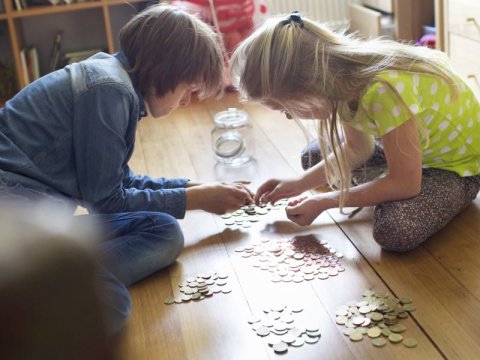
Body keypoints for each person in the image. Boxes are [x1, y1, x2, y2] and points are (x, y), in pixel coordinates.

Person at [0, 4, 253, 334]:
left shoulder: (113, 80)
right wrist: (196, 200)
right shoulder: (109, 90)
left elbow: (117, 180)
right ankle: (41, 288)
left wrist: (191, 186)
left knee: (160, 231)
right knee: (125, 286)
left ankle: (50, 283)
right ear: (166, 69)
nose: (187, 101)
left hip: (26, 211)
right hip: (14, 218)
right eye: (188, 87)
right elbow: (106, 200)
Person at [230, 12, 480, 252]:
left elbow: (406, 184)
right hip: (405, 147)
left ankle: (431, 189)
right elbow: (358, 148)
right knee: (311, 158)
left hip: (456, 169)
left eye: (284, 108)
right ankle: (381, 183)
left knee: (394, 228)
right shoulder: (337, 79)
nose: (287, 116)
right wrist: (297, 185)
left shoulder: (383, 91)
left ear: (308, 86)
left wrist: (326, 201)